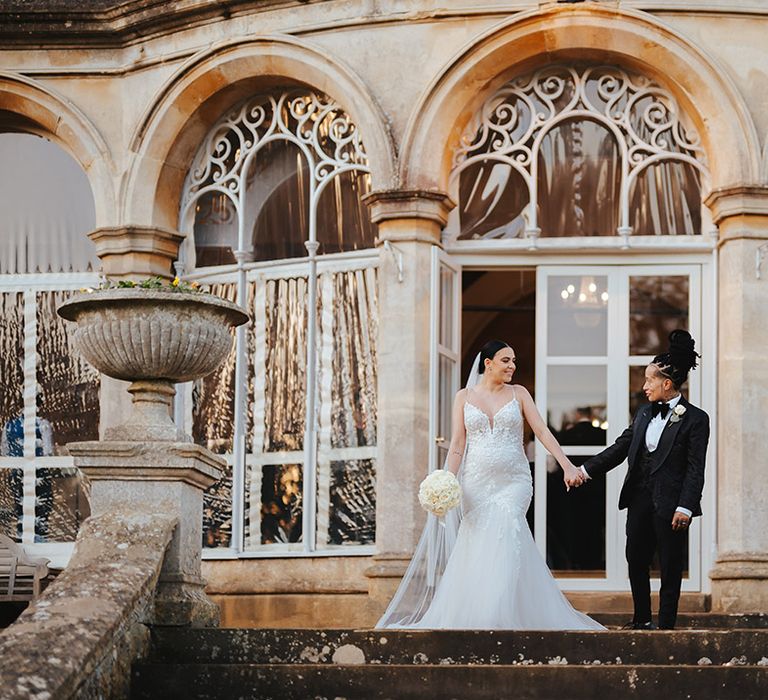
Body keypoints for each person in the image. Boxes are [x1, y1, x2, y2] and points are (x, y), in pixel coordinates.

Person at [376, 340, 602, 630]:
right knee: (478, 544)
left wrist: (567, 464)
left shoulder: (519, 394)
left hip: (515, 482)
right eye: (506, 360)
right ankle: (477, 613)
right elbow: (458, 444)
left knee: (507, 530)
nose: (512, 366)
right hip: (476, 483)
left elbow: (542, 431)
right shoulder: (463, 397)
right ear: (488, 363)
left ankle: (499, 614)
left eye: (514, 361)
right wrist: (446, 480)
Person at [579, 330, 709, 630]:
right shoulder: (642, 414)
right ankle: (641, 619)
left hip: (672, 504)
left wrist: (686, 507)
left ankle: (665, 625)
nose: (644, 385)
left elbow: (695, 467)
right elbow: (620, 448)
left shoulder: (696, 419)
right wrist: (585, 471)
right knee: (635, 558)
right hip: (639, 499)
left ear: (666, 383)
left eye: (649, 380)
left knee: (670, 564)